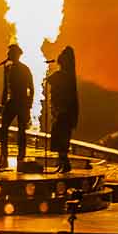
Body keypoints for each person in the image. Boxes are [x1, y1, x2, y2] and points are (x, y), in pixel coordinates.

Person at [0, 43, 35, 170]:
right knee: (3, 129)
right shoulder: (7, 68)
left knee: (21, 131)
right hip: (12, 102)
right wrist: (2, 105)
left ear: (16, 54)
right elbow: (5, 88)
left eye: (10, 53)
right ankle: (4, 157)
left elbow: (31, 88)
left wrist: (29, 105)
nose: (7, 55)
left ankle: (21, 157)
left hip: (22, 103)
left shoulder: (25, 69)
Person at [46, 45, 79, 173]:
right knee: (62, 137)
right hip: (64, 112)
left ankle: (64, 163)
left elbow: (51, 81)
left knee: (61, 137)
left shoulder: (63, 76)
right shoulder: (68, 76)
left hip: (63, 112)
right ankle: (62, 163)